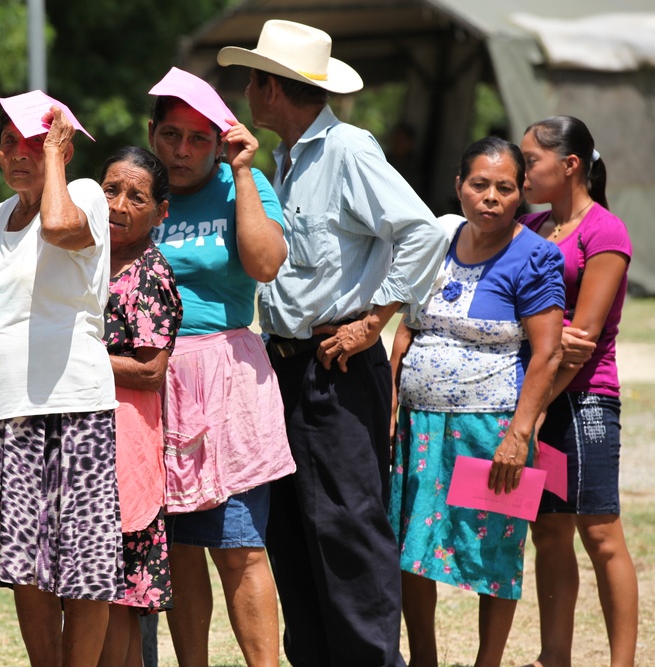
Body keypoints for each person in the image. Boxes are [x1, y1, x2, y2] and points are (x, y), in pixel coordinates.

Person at [217, 20, 449, 666]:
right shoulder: (284, 161)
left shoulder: (347, 149)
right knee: (294, 532)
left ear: (273, 88)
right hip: (288, 365)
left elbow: (423, 232)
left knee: (348, 529)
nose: (246, 92)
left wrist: (375, 318)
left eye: (253, 80)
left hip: (339, 363)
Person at [0, 94, 120, 667]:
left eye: (36, 142)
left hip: (71, 407)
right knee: (24, 567)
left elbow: (59, 228)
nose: (20, 154)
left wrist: (56, 157)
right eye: (10, 143)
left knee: (83, 566)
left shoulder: (85, 196)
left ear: (63, 147)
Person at [388, 137, 565, 667]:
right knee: (411, 550)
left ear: (521, 194)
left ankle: (487, 662)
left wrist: (519, 435)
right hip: (419, 429)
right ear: (459, 186)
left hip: (491, 431)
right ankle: (424, 659)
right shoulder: (435, 242)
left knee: (494, 549)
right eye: (479, 185)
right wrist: (391, 404)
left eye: (504, 188)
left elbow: (548, 354)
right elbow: (406, 331)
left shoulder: (535, 256)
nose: (490, 197)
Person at [146, 67, 292, 667]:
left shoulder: (243, 185)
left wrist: (240, 171)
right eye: (171, 134)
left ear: (221, 140)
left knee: (239, 545)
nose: (183, 151)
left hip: (226, 378)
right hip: (151, 381)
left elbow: (264, 264)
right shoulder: (135, 192)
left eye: (199, 138)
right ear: (152, 133)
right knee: (177, 549)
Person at [520, 116, 638, 667]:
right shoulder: (532, 226)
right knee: (548, 532)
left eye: (530, 162)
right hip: (538, 398)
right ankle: (555, 657)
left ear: (569, 166)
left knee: (600, 532)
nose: (521, 172)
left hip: (584, 399)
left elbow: (580, 343)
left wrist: (536, 409)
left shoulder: (605, 231)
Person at [97, 146, 183, 667]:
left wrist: (79, 355)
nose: (119, 205)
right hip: (89, 442)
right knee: (100, 592)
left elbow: (151, 372)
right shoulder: (88, 258)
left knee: (120, 599)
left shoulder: (149, 274)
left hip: (124, 450)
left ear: (161, 211)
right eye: (111, 190)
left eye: (137, 196)